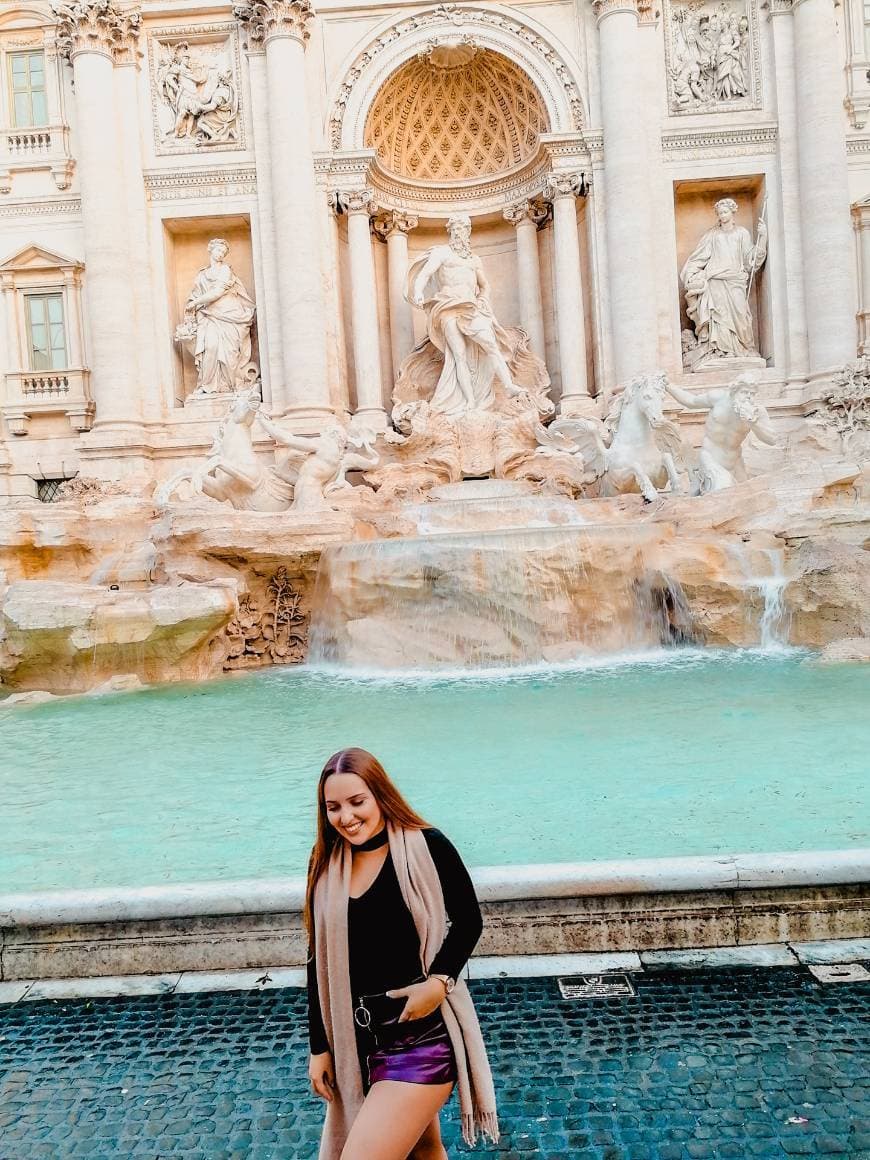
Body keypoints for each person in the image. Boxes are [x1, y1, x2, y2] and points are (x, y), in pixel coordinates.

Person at [306, 747, 498, 1159]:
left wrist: (440, 981)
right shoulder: (325, 862)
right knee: (425, 1151)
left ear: (380, 795)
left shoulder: (426, 845)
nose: (347, 817)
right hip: (356, 1043)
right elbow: (315, 959)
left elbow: (468, 921)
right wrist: (319, 1047)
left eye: (357, 802)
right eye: (333, 807)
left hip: (420, 1037)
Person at [405, 214, 523, 415]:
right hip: (447, 306)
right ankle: (469, 402)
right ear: (450, 231)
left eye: (464, 228)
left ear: (468, 232)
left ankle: (509, 386)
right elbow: (424, 275)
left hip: (471, 307)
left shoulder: (474, 260)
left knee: (491, 344)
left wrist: (484, 300)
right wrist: (417, 291)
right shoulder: (442, 253)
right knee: (458, 355)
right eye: (457, 228)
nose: (461, 232)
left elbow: (485, 286)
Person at [680, 197, 767, 362]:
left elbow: (750, 260)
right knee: (719, 317)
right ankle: (721, 351)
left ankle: (745, 348)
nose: (722, 215)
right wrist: (691, 274)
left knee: (741, 315)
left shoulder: (742, 233)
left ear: (733, 212)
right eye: (719, 213)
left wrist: (763, 238)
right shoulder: (712, 235)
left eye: (725, 212)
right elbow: (699, 258)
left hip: (735, 280)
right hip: (715, 280)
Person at [664, 373, 777, 492]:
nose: (748, 397)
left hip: (735, 463)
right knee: (724, 491)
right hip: (710, 458)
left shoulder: (757, 412)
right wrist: (668, 385)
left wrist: (754, 423)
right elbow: (691, 401)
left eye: (752, 394)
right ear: (734, 391)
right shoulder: (718, 398)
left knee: (746, 498)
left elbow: (772, 439)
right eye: (744, 392)